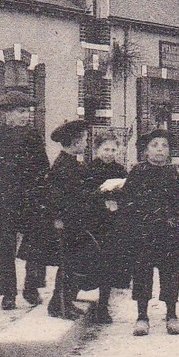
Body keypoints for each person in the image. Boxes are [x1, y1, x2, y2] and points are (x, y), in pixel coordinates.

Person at [0, 88, 50, 310]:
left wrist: (38, 191)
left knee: (36, 245)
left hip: (30, 202)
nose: (25, 115)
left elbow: (43, 167)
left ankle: (31, 288)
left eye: (27, 111)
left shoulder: (33, 136)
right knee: (5, 249)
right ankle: (8, 293)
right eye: (20, 111)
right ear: (8, 114)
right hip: (5, 203)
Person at [52, 131, 128, 326]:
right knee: (79, 263)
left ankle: (102, 307)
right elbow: (82, 195)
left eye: (113, 149)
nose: (109, 153)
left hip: (112, 224)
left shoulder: (120, 170)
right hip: (92, 224)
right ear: (96, 150)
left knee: (108, 266)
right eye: (105, 149)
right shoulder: (88, 169)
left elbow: (128, 195)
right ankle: (64, 301)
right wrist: (103, 198)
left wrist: (117, 199)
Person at [116, 129, 179, 336]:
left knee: (170, 274)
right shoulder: (138, 172)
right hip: (144, 233)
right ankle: (142, 316)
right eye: (155, 146)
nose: (160, 150)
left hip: (168, 233)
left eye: (164, 146)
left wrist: (176, 220)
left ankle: (172, 315)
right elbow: (128, 201)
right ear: (146, 150)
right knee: (142, 274)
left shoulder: (173, 173)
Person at [36, 119, 91, 320]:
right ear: (75, 143)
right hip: (66, 224)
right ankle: (58, 305)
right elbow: (54, 197)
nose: (86, 143)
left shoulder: (73, 162)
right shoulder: (62, 166)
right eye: (84, 140)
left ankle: (65, 302)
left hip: (75, 223)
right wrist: (58, 218)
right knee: (67, 266)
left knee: (72, 265)